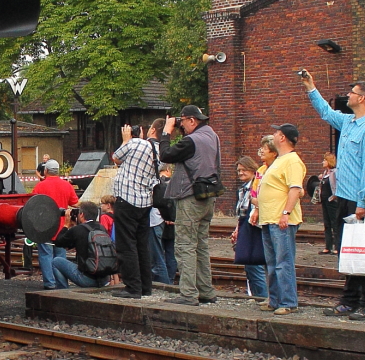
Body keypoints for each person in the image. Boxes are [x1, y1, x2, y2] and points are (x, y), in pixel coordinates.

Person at [302, 72, 365, 321]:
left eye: (352, 92)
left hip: (361, 201)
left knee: (364, 251)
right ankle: (349, 301)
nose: (347, 95)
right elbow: (327, 113)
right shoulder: (349, 122)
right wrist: (310, 88)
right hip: (345, 197)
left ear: (361, 98)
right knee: (349, 251)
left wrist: (362, 203)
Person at [159, 105, 222, 306]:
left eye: (183, 122)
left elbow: (165, 155)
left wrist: (166, 132)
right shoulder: (212, 136)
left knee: (185, 245)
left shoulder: (191, 141)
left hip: (189, 197)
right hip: (208, 195)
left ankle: (188, 294)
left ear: (192, 121)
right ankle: (206, 290)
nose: (182, 126)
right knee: (201, 245)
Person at [251, 125, 305, 314]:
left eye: (276, 133)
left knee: (283, 261)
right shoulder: (279, 161)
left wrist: (286, 213)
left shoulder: (292, 161)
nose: (272, 135)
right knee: (272, 262)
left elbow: (295, 188)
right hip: (269, 218)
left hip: (281, 219)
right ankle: (274, 299)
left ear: (282, 137)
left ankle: (288, 302)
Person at [110, 124, 159, 298]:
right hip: (145, 202)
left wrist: (125, 140)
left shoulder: (134, 144)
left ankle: (133, 288)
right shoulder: (157, 149)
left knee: (126, 245)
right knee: (142, 245)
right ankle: (146, 287)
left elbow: (115, 157)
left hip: (127, 199)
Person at [30, 158, 80, 289]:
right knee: (60, 256)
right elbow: (75, 203)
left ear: (45, 171)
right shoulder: (67, 186)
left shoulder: (40, 186)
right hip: (62, 227)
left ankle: (49, 283)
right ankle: (61, 283)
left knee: (45, 255)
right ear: (58, 171)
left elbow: (32, 204)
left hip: (44, 227)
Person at [49, 201, 113, 289]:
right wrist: (76, 226)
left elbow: (59, 242)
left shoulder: (77, 230)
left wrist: (66, 225)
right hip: (104, 279)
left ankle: (62, 292)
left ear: (82, 215)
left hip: (86, 279)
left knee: (56, 261)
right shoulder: (101, 228)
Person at [232, 156, 268, 300]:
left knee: (255, 264)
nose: (240, 173)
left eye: (243, 169)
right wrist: (237, 230)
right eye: (238, 170)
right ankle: (257, 295)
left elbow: (253, 209)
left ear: (252, 169)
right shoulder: (243, 188)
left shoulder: (256, 186)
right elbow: (242, 213)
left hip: (254, 227)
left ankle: (262, 296)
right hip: (245, 225)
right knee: (250, 264)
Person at [319, 152, 340, 254]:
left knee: (334, 223)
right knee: (327, 224)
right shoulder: (324, 174)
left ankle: (337, 246)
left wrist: (334, 197)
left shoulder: (334, 173)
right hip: (324, 201)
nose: (323, 162)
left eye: (325, 160)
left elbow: (336, 186)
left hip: (331, 201)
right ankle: (328, 246)